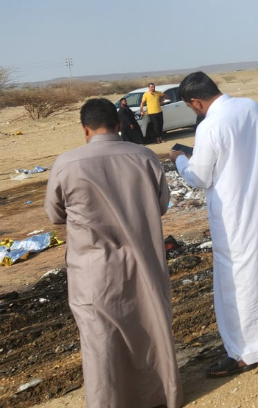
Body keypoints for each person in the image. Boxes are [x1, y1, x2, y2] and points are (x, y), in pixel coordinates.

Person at [169, 71, 258, 377]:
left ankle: (244, 352)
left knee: (238, 283)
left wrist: (180, 159)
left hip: (234, 215)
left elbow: (199, 177)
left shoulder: (210, 126)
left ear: (195, 101)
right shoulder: (252, 107)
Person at [44, 98, 182, 408]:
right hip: (145, 263)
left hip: (94, 270)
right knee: (149, 329)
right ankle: (162, 396)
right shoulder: (145, 156)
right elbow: (160, 206)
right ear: (119, 126)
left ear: (85, 129)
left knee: (100, 341)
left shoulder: (67, 163)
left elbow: (55, 215)